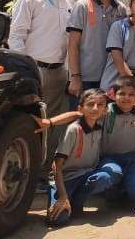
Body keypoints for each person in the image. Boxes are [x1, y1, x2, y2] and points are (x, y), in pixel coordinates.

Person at [10, 0, 76, 166]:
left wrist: (70, 72)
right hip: (35, 71)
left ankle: (46, 170)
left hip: (60, 72)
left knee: (56, 123)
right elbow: (16, 37)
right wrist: (26, 71)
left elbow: (71, 39)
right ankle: (27, 169)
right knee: (32, 122)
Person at [47, 89, 118, 226]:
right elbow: (57, 166)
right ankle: (66, 198)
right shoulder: (73, 129)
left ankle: (77, 202)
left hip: (85, 175)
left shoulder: (100, 127)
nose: (95, 108)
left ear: (105, 110)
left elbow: (122, 105)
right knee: (57, 220)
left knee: (104, 177)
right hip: (65, 179)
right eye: (90, 104)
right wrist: (62, 197)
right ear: (80, 109)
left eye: (100, 105)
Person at [67, 0, 126, 100]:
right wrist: (75, 76)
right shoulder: (82, 5)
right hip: (85, 77)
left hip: (111, 77)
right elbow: (73, 43)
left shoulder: (121, 9)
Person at [99, 77, 135, 204]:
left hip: (132, 159)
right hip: (109, 158)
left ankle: (127, 187)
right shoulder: (106, 112)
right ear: (113, 95)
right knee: (111, 175)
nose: (126, 98)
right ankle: (115, 188)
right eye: (122, 94)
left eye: (132, 94)